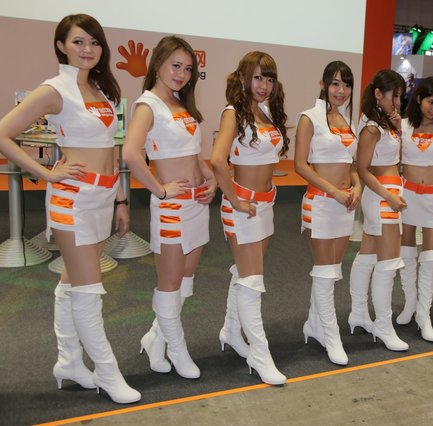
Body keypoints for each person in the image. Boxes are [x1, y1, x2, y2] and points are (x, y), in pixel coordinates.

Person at [0, 14, 140, 403]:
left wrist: (121, 199)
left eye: (94, 42)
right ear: (61, 46)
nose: (87, 49)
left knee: (72, 283)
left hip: (102, 197)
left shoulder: (101, 88)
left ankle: (69, 363)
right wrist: (45, 172)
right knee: (89, 290)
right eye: (78, 42)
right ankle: (108, 373)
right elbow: (3, 133)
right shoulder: (54, 90)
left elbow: (110, 149)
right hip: (73, 200)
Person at [123, 36, 216, 379]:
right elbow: (130, 153)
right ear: (158, 64)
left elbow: (192, 155)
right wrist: (160, 190)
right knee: (169, 283)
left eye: (188, 69)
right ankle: (178, 349)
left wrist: (211, 178)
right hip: (172, 209)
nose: (181, 74)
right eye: (175, 65)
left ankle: (156, 339)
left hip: (197, 205)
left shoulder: (180, 102)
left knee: (185, 282)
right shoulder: (148, 105)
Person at [211, 51, 289, 385]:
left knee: (245, 275)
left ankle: (231, 331)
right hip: (242, 208)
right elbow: (217, 161)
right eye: (257, 77)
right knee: (253, 281)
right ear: (243, 77)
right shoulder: (233, 113)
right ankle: (260, 353)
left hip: (265, 206)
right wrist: (235, 200)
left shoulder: (267, 112)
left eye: (269, 79)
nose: (263, 85)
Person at [294, 61, 360, 365]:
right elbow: (300, 165)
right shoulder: (309, 118)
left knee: (332, 271)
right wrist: (334, 191)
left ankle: (314, 324)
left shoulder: (348, 121)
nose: (341, 91)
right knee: (324, 270)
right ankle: (332, 335)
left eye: (346, 85)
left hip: (345, 205)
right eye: (335, 84)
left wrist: (357, 187)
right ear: (323, 85)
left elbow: (351, 164)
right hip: (321, 203)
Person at [349, 69, 408, 351]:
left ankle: (359, 313)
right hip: (383, 196)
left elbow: (396, 159)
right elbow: (362, 169)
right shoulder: (372, 127)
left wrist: (399, 128)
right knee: (389, 262)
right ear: (377, 94)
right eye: (393, 95)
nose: (397, 101)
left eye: (400, 96)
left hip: (388, 194)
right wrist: (388, 197)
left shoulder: (386, 123)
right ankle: (384, 325)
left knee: (368, 254)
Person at [397, 77, 433, 342]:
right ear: (419, 99)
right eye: (431, 102)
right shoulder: (403, 125)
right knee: (407, 251)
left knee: (430, 255)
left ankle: (424, 313)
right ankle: (410, 303)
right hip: (407, 195)